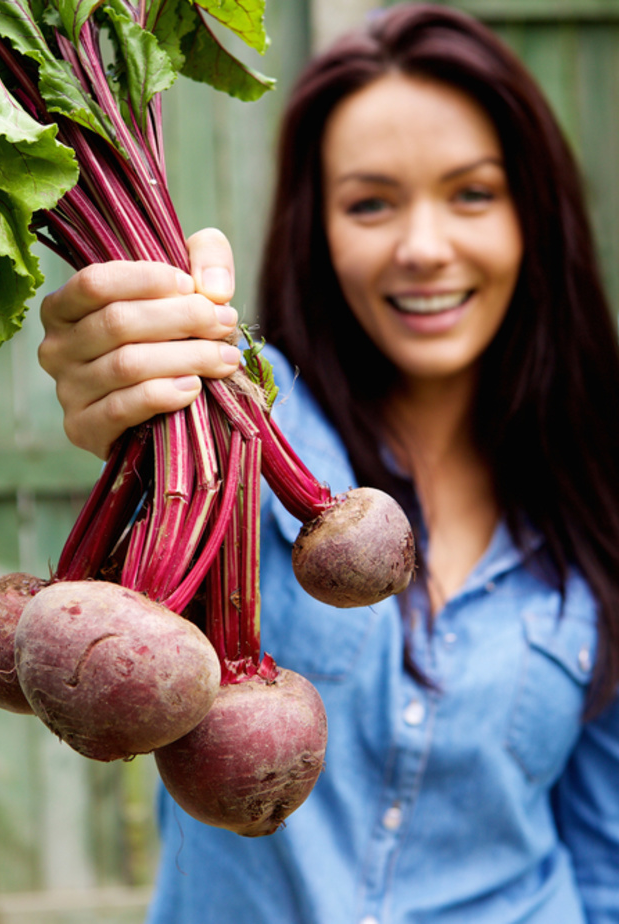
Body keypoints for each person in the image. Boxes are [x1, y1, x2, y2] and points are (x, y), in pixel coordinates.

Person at [38, 4, 619, 922]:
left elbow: (608, 853)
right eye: (371, 202)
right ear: (317, 229)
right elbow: (141, 454)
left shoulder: (597, 496)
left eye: (472, 193)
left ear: (534, 216)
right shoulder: (229, 427)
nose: (425, 248)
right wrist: (123, 390)